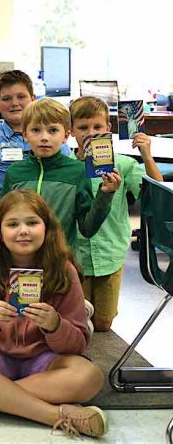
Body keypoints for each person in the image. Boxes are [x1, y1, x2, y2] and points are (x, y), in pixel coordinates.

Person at [0, 190, 107, 438]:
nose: (23, 231)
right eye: (12, 224)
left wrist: (55, 325)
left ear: (47, 228)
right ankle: (56, 416)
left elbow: (78, 342)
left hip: (44, 359)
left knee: (90, 377)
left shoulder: (64, 270)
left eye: (32, 223)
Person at [70, 96, 163, 331]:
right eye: (82, 128)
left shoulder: (122, 164)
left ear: (109, 129)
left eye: (97, 127)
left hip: (110, 253)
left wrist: (146, 156)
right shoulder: (67, 167)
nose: (90, 133)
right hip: (76, 256)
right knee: (76, 318)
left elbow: (155, 193)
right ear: (71, 131)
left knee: (103, 322)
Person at [1, 98, 120, 250]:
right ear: (25, 134)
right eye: (36, 130)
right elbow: (3, 221)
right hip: (21, 261)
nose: (44, 137)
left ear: (66, 135)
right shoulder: (14, 173)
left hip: (62, 262)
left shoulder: (78, 172)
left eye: (53, 130)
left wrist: (105, 195)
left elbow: (88, 228)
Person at [0, 70, 72, 216]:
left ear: (33, 98)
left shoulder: (50, 135)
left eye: (21, 97)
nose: (14, 103)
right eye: (7, 98)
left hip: (39, 217)